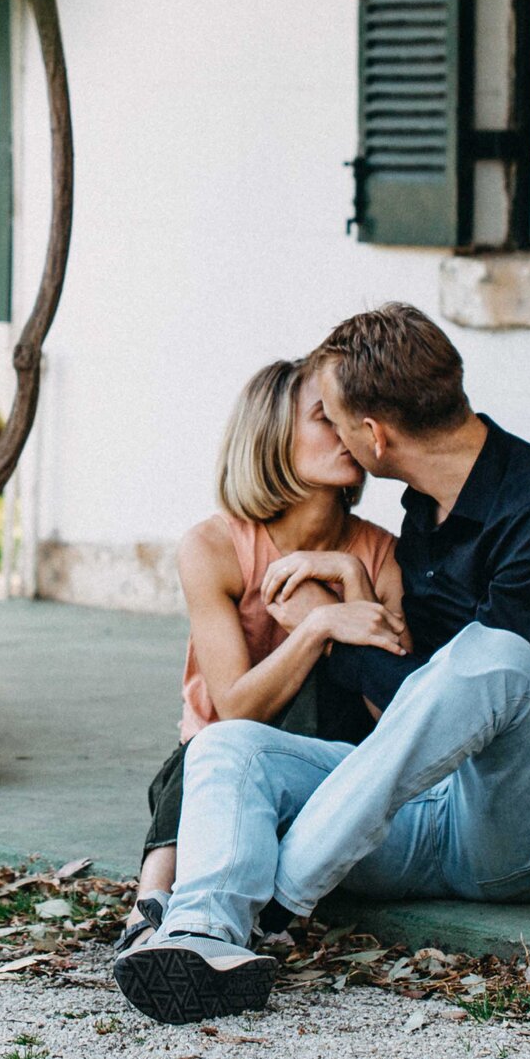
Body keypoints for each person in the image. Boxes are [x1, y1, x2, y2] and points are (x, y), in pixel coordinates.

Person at [113, 303, 530, 1025]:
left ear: (373, 435)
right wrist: (347, 602)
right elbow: (415, 698)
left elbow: (483, 702)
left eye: (333, 414)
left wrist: (342, 622)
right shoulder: (422, 515)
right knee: (226, 743)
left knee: (496, 655)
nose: (333, 430)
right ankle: (203, 934)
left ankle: (282, 899)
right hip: (423, 815)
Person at [116, 358, 412, 953]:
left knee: (224, 747)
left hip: (333, 757)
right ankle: (152, 904)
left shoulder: (381, 552)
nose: (348, 431)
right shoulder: (215, 546)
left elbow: (395, 718)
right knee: (205, 752)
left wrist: (351, 582)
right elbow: (235, 709)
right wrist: (320, 625)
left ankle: (159, 906)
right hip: (214, 760)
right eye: (326, 419)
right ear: (273, 434)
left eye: (352, 418)